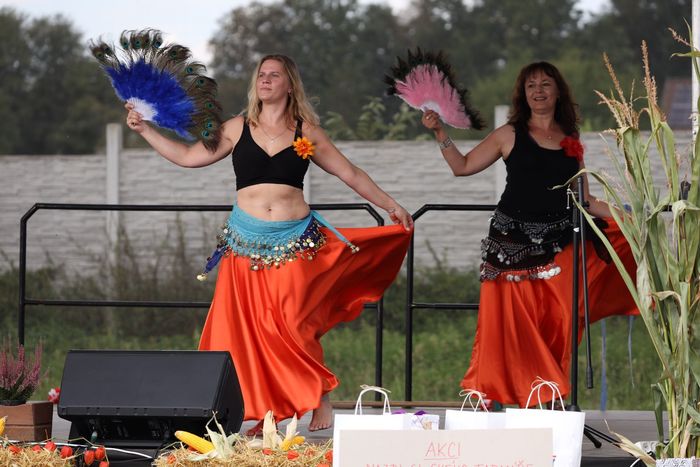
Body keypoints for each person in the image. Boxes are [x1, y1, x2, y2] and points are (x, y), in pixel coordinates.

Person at [125, 54, 413, 433]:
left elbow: (350, 173)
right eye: (261, 74)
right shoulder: (236, 127)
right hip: (245, 243)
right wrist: (146, 130)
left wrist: (390, 205)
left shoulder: (307, 131)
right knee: (250, 331)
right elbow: (188, 156)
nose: (265, 80)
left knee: (294, 324)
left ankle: (320, 394)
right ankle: (268, 414)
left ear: (289, 84)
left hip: (295, 242)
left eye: (274, 75)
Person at [421, 61, 637, 407]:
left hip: (560, 241)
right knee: (512, 326)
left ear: (558, 92)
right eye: (531, 85)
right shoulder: (508, 134)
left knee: (561, 316)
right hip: (511, 245)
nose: (538, 91)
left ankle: (547, 392)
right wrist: (440, 133)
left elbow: (585, 199)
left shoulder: (571, 140)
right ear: (523, 94)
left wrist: (634, 218)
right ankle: (523, 396)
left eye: (546, 84)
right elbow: (462, 167)